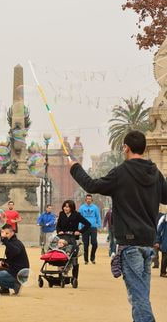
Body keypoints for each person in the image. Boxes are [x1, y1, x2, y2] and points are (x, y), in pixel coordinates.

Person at [69, 130, 167, 322]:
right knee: (140, 295)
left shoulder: (121, 172)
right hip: (148, 242)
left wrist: (75, 168)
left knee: (138, 296)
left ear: (126, 148)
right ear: (145, 148)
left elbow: (92, 185)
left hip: (130, 243)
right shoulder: (155, 172)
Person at [0, 224, 29, 295]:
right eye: (3, 233)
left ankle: (15, 285)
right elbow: (12, 259)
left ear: (12, 233)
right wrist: (2, 261)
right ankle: (4, 289)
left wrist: (5, 241)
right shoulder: (10, 241)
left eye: (7, 233)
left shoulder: (16, 242)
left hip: (19, 273)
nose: (4, 235)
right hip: (14, 267)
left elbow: (16, 251)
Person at [56, 199, 91, 280]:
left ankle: (75, 278)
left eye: (67, 207)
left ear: (72, 208)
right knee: (61, 255)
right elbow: (58, 225)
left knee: (73, 257)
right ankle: (61, 274)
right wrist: (59, 231)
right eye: (64, 206)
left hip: (73, 238)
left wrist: (79, 231)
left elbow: (88, 224)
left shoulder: (77, 215)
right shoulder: (61, 214)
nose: (65, 208)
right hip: (63, 238)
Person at [78, 194, 102, 264]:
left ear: (92, 200)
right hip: (85, 227)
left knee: (94, 243)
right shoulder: (82, 208)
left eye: (90, 199)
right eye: (87, 199)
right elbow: (79, 218)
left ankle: (92, 257)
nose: (88, 200)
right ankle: (86, 260)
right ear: (85, 200)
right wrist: (79, 227)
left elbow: (98, 217)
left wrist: (99, 226)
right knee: (85, 244)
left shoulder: (95, 208)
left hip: (93, 227)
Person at [155, 212, 167, 277]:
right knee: (165, 258)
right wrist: (157, 241)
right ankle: (163, 272)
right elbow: (158, 231)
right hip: (165, 242)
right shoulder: (164, 218)